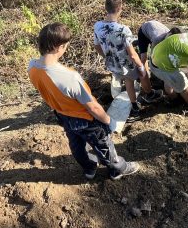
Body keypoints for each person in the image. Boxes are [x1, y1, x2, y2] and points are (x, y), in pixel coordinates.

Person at [29, 22, 139, 181]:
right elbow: (93, 107)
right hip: (85, 119)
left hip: (62, 116)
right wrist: (109, 121)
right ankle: (117, 169)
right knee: (103, 144)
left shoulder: (32, 67)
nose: (65, 49)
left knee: (77, 146)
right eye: (65, 46)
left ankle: (89, 168)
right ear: (58, 47)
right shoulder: (69, 77)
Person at [93, 0, 155, 117]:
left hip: (111, 63)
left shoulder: (97, 26)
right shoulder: (123, 29)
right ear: (119, 9)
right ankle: (147, 96)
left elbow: (97, 46)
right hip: (126, 64)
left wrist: (106, 56)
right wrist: (140, 66)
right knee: (134, 78)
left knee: (125, 79)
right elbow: (132, 54)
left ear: (106, 8)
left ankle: (134, 105)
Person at [136, 20, 169, 104]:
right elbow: (153, 57)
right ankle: (145, 76)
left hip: (153, 30)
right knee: (143, 58)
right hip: (144, 32)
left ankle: (150, 76)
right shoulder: (157, 40)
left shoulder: (172, 39)